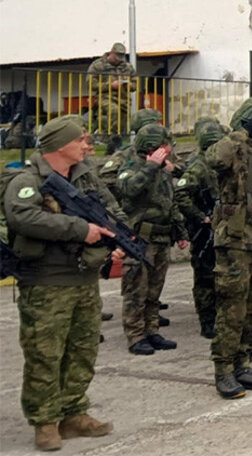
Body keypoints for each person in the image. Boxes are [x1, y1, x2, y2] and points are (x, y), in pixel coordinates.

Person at [3, 117, 121, 450]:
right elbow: (22, 216)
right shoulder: (27, 180)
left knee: (82, 351)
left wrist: (115, 243)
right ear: (60, 144)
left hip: (84, 280)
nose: (88, 145)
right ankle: (45, 421)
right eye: (82, 139)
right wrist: (80, 230)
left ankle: (74, 413)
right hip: (46, 283)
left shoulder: (84, 180)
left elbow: (109, 214)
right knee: (45, 354)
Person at [204, 97, 252, 399]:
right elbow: (213, 159)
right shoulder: (236, 148)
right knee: (233, 306)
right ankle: (224, 369)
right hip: (237, 240)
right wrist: (241, 133)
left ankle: (243, 362)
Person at [117, 124, 188, 355]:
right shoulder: (133, 168)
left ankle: (152, 330)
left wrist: (180, 231)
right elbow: (128, 189)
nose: (169, 149)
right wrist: (150, 167)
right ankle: (136, 335)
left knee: (154, 290)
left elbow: (170, 202)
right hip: (141, 239)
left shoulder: (162, 170)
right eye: (165, 145)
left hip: (161, 236)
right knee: (136, 289)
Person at [175, 118, 225, 339]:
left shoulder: (221, 163)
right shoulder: (199, 166)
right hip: (205, 231)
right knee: (205, 277)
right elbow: (181, 194)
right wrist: (200, 216)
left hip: (221, 226)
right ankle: (207, 320)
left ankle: (220, 317)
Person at [86, 42, 136, 152]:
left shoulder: (127, 67)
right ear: (111, 53)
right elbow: (91, 84)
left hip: (124, 99)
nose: (119, 59)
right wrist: (110, 85)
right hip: (105, 97)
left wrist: (129, 85)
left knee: (122, 124)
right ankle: (111, 141)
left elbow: (135, 84)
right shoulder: (98, 65)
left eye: (121, 57)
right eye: (117, 56)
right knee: (114, 111)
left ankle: (113, 148)